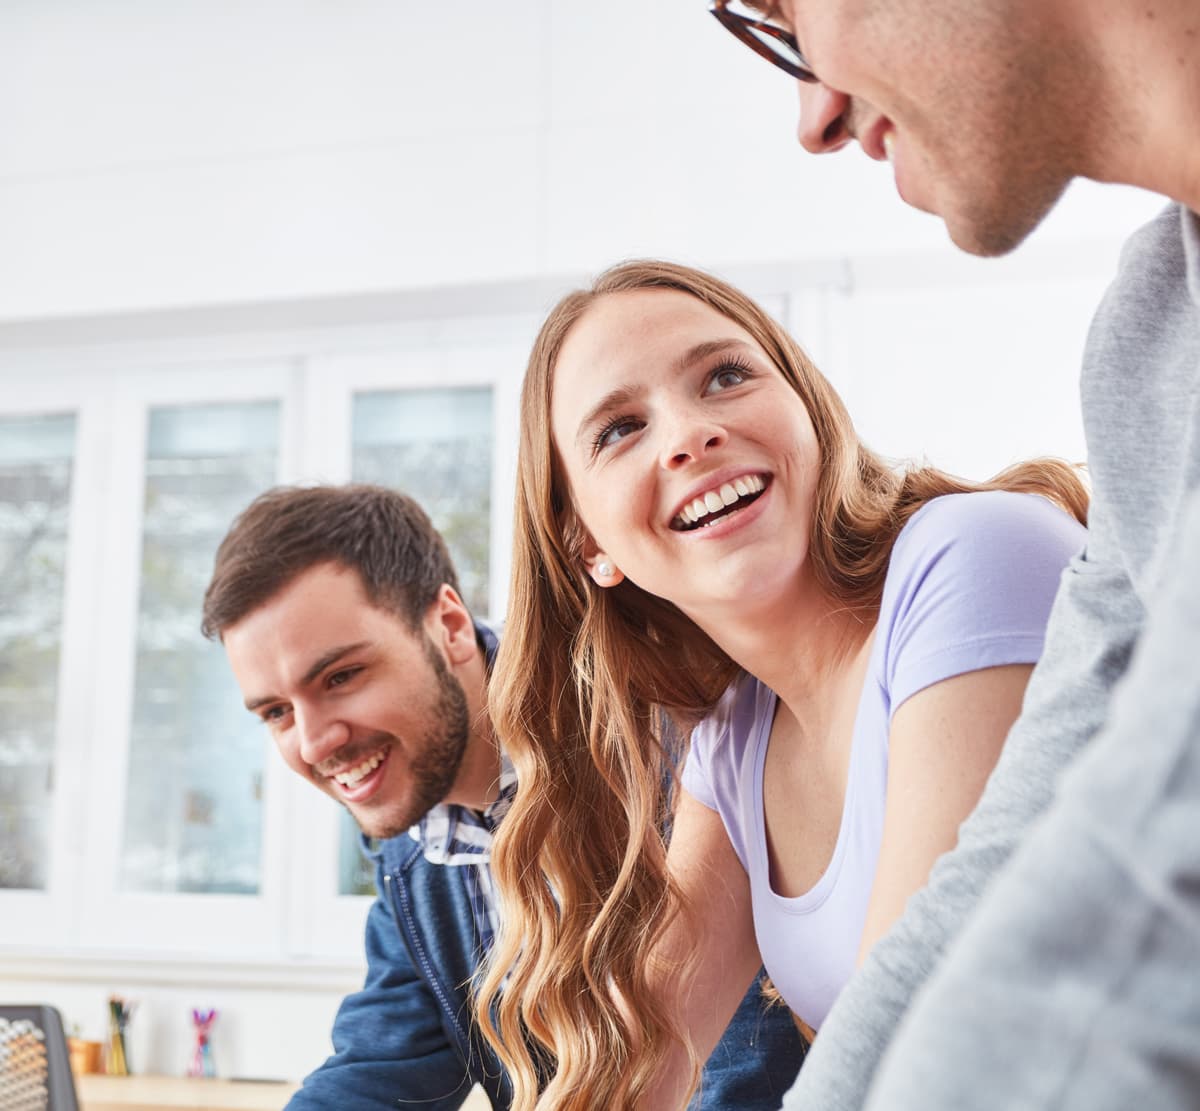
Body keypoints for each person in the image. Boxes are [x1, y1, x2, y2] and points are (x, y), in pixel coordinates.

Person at [705, 2, 1200, 1109]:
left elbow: (1152, 885)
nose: (814, 117)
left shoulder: (970, 556)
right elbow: (1019, 844)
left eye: (787, 16)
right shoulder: (1150, 331)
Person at [474, 259, 1088, 1109]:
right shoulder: (736, 737)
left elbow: (913, 1051)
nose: (689, 435)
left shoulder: (974, 558)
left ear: (808, 410)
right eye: (619, 428)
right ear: (589, 545)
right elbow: (632, 1068)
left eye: (725, 376)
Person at [200, 483, 806, 1111]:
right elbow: (385, 1067)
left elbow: (741, 1057)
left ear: (451, 627)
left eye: (341, 677)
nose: (315, 740)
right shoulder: (413, 844)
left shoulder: (654, 727)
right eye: (275, 712)